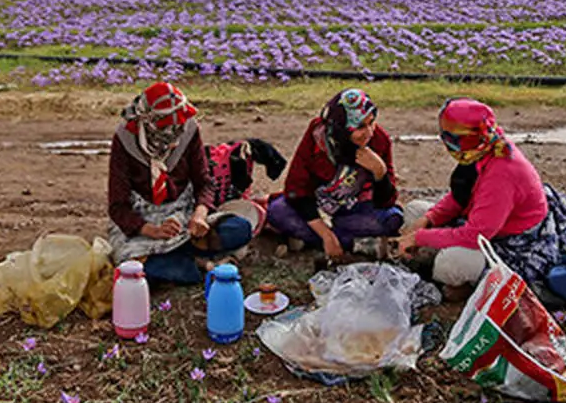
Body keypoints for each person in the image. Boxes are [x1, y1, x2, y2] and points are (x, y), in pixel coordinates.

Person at [398, 97, 566, 293]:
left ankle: (466, 286)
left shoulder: (502, 173)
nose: (446, 143)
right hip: (488, 226)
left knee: (451, 264)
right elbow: (461, 196)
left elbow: (475, 236)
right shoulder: (483, 148)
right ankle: (438, 256)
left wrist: (420, 237)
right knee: (416, 211)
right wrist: (429, 219)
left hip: (515, 246)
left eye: (450, 139)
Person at [107, 82, 253, 284]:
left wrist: (200, 215)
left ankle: (188, 257)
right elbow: (118, 207)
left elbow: (204, 183)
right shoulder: (125, 139)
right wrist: (152, 230)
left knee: (240, 228)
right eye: (167, 127)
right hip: (143, 222)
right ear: (149, 122)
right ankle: (199, 260)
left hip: (183, 216)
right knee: (137, 269)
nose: (174, 135)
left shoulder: (189, 129)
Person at [266, 88, 403, 260]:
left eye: (372, 122)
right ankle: (354, 244)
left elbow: (385, 202)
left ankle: (306, 238)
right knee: (277, 211)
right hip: (318, 207)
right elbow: (296, 189)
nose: (369, 132)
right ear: (342, 128)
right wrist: (325, 234)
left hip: (353, 208)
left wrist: (379, 171)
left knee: (392, 219)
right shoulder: (318, 136)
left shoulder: (379, 140)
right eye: (360, 126)